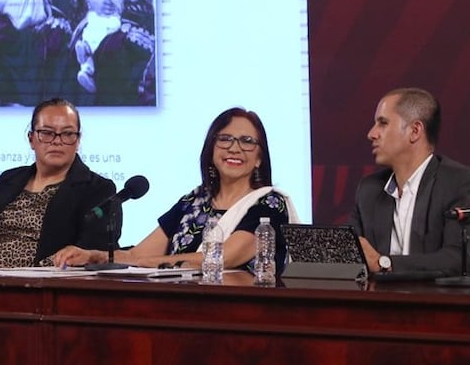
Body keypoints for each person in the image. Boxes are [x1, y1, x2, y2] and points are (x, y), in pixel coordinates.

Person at [53, 107, 299, 271]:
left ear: (259, 158)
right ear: (211, 149)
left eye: (247, 141)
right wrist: (93, 256)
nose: (234, 148)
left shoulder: (270, 204)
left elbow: (220, 259)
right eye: (225, 139)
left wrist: (147, 263)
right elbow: (138, 254)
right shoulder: (193, 201)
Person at [0, 98, 118, 267]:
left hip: (45, 286)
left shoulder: (98, 190)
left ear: (77, 141)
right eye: (47, 133)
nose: (57, 141)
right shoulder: (8, 180)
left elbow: (91, 252)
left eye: (68, 134)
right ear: (31, 139)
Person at [350, 88, 470, 276]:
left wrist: (383, 263)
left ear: (414, 131)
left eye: (383, 123)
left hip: (446, 302)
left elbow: (458, 259)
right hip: (383, 302)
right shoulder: (369, 189)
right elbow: (351, 251)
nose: (372, 134)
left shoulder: (459, 183)